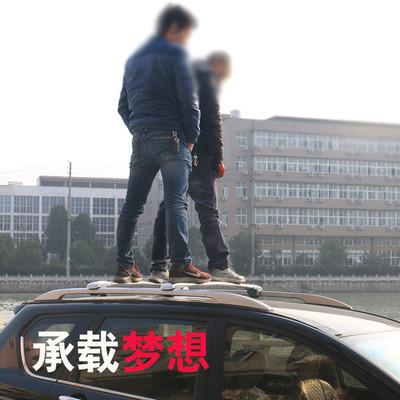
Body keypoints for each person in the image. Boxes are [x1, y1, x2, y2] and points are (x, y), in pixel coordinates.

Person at [114, 5, 211, 284]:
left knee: (132, 206)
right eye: (186, 33)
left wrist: (139, 130)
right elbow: (189, 102)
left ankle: (124, 266)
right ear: (174, 28)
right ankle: (180, 264)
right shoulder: (176, 55)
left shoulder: (133, 60)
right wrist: (191, 139)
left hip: (141, 140)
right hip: (172, 140)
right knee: (175, 202)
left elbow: (122, 106)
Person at [149, 52, 245, 284]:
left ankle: (158, 267)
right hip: (197, 152)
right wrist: (218, 159)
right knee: (207, 211)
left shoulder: (169, 80)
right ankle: (219, 265)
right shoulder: (205, 78)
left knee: (168, 209)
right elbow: (212, 120)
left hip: (171, 150)